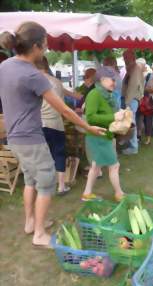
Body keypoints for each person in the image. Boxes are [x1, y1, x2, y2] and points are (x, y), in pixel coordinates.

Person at [0, 22, 105, 248]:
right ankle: (39, 234)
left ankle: (30, 223)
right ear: (36, 46)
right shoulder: (33, 75)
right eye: (45, 45)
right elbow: (65, 109)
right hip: (30, 138)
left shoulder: (6, 65)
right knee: (46, 182)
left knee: (30, 179)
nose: (47, 50)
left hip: (15, 138)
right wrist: (89, 128)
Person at [36, 56, 82, 195]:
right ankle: (61, 186)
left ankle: (43, 187)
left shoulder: (34, 82)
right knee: (59, 154)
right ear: (46, 65)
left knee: (43, 156)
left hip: (39, 125)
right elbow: (75, 97)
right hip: (56, 124)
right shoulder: (56, 81)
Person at [81, 66, 125, 202]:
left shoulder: (107, 94)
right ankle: (119, 194)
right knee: (114, 165)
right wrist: (113, 117)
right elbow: (90, 117)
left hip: (104, 136)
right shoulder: (94, 94)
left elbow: (107, 113)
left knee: (95, 166)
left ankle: (87, 194)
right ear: (102, 80)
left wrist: (121, 116)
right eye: (111, 80)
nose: (114, 82)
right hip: (97, 137)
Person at [121, 50, 145, 155]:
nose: (125, 60)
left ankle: (133, 147)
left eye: (126, 57)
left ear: (133, 57)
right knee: (128, 122)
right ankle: (129, 142)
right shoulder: (131, 68)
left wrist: (126, 103)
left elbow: (132, 87)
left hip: (131, 100)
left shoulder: (135, 69)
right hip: (130, 99)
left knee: (131, 123)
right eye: (124, 57)